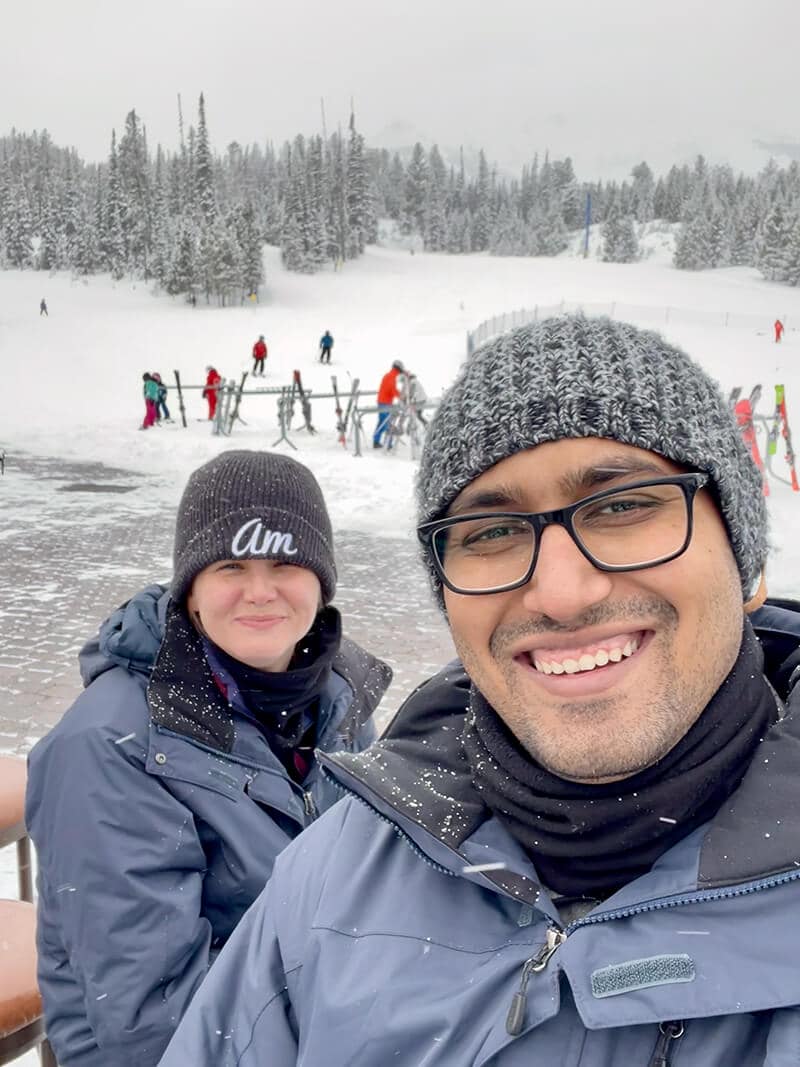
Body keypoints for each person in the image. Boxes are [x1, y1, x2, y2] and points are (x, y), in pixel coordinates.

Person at [161, 316, 800, 1067]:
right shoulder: (332, 878)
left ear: (747, 561)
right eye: (492, 531)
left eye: (623, 505)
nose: (560, 593)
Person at [25, 450, 391, 1067]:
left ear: (321, 582)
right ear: (190, 588)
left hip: (317, 1023)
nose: (260, 591)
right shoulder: (110, 746)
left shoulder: (336, 698)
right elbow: (158, 1023)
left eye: (285, 563)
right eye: (231, 566)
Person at [373, 359, 405, 448]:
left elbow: (391, 389)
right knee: (386, 423)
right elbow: (392, 389)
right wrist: (401, 396)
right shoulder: (392, 376)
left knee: (383, 422)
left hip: (384, 401)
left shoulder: (390, 375)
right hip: (384, 402)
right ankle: (387, 443)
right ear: (398, 368)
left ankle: (377, 441)